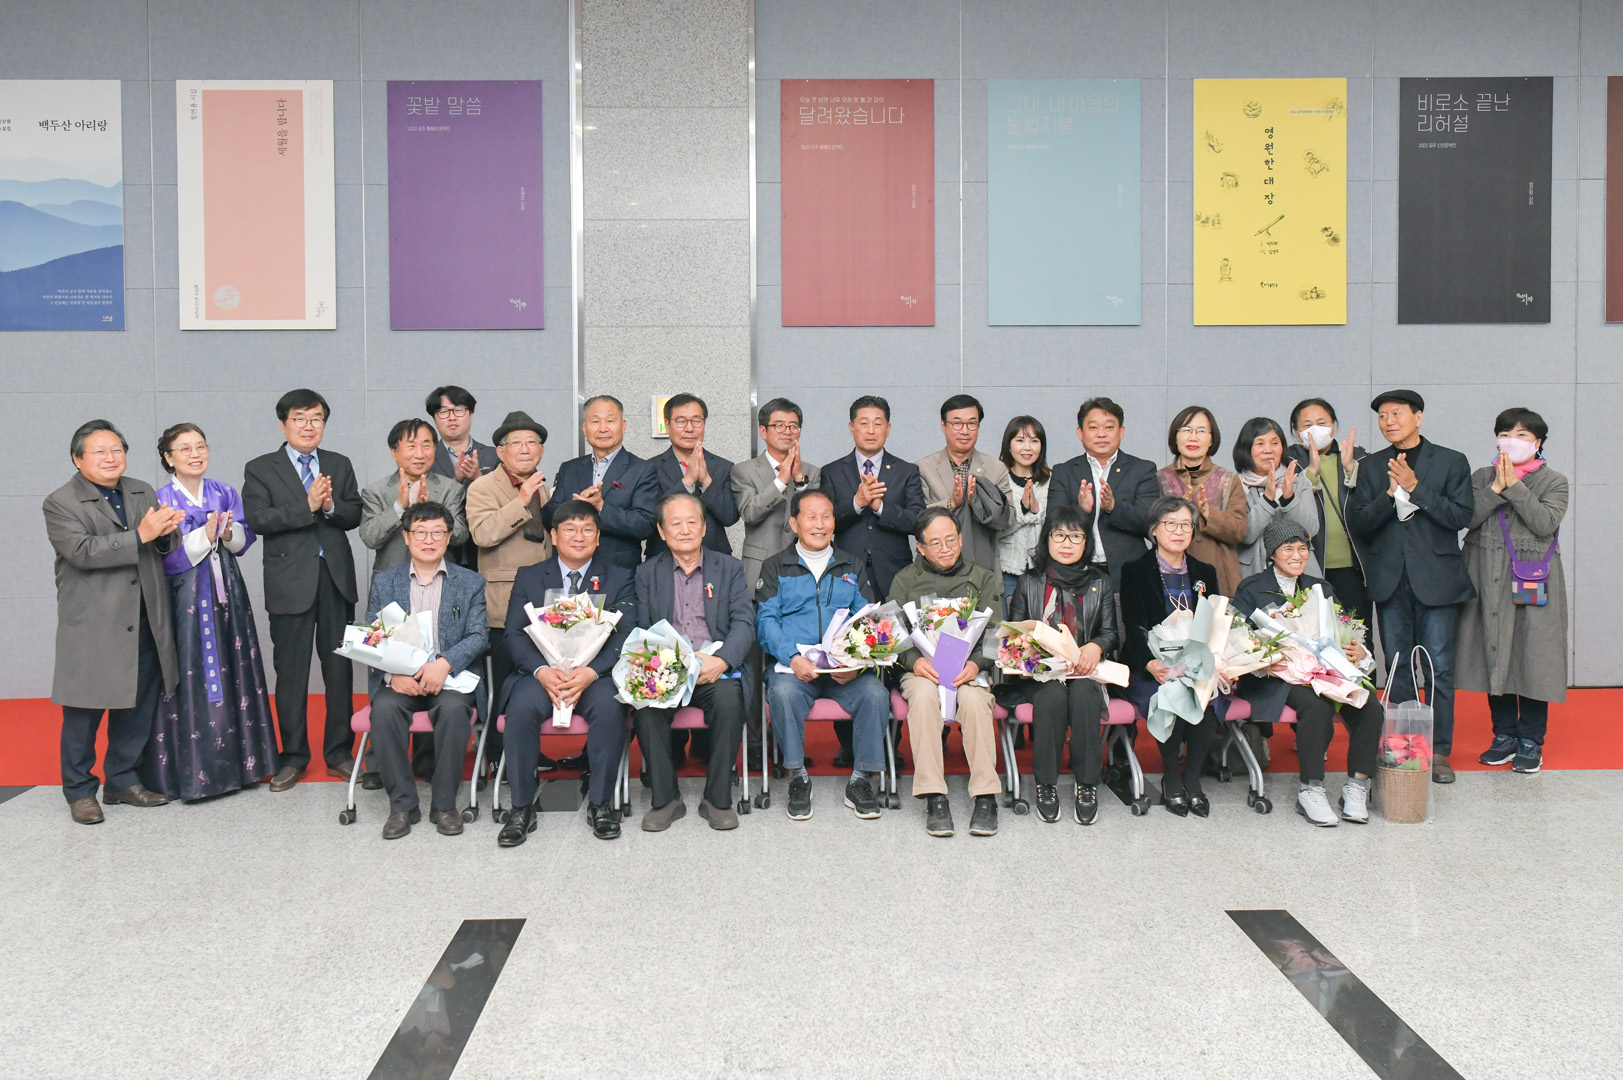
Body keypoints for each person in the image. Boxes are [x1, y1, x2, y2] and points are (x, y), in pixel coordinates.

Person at [43, 420, 184, 824]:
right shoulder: (61, 501)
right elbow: (82, 551)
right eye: (100, 451)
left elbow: (163, 544)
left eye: (117, 450)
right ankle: (79, 791)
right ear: (77, 459)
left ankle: (122, 780)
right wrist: (142, 535)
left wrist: (164, 534)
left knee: (137, 707)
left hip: (144, 616)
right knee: (83, 711)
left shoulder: (141, 490)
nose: (110, 458)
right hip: (95, 624)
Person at [1347, 389, 1475, 784]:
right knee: (1398, 666)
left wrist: (1415, 487)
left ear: (1418, 417)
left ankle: (1439, 751)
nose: (1389, 421)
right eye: (1383, 415)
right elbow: (1361, 524)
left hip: (1437, 580)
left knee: (1439, 667)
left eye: (1397, 413)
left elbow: (1460, 516)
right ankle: (1406, 748)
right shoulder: (1371, 467)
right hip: (1390, 582)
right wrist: (1390, 494)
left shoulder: (1451, 461)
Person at [242, 389, 365, 789]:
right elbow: (258, 519)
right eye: (300, 418)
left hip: (335, 580)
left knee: (339, 671)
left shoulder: (338, 463)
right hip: (289, 582)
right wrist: (307, 506)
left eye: (316, 419)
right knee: (291, 673)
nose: (308, 426)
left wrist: (330, 507)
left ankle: (339, 753)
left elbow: (354, 513)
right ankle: (293, 756)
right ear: (284, 425)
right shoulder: (261, 468)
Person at [148, 423, 278, 801]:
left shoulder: (224, 492)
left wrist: (226, 533)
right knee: (192, 669)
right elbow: (162, 557)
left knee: (234, 665)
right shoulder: (160, 500)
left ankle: (242, 767)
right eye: (185, 448)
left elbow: (243, 540)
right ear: (168, 457)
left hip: (227, 594)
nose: (195, 454)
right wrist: (202, 537)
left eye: (200, 446)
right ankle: (194, 773)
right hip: (185, 596)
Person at [498, 500, 636, 845]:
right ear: (554, 535)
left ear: (598, 537)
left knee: (610, 708)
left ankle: (601, 803)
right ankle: (521, 807)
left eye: (587, 529)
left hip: (595, 675)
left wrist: (592, 671)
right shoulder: (530, 576)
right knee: (521, 709)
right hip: (541, 674)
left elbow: (626, 634)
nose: (579, 536)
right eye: (570, 529)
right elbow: (513, 634)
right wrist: (541, 670)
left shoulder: (619, 577)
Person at [1232, 518, 1383, 827]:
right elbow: (1237, 637)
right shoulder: (1252, 588)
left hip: (1323, 672)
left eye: (1303, 549)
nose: (1297, 556)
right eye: (1288, 549)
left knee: (1370, 706)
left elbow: (1345, 629)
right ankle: (1310, 789)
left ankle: (1356, 786)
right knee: (1315, 707)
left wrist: (1357, 649)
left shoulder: (1320, 587)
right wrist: (1269, 654)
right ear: (1272, 553)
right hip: (1276, 675)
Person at [757, 489, 893, 821]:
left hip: (843, 668)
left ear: (835, 522)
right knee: (783, 694)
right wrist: (792, 657)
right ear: (794, 523)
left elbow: (867, 618)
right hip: (794, 667)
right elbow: (766, 621)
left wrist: (855, 662)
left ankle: (861, 779)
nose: (819, 524)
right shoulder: (775, 566)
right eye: (811, 517)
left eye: (827, 516)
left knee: (875, 693)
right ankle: (798, 777)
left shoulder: (852, 564)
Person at [363, 502, 488, 839]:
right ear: (406, 537)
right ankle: (402, 806)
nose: (428, 540)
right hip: (401, 679)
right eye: (420, 532)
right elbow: (372, 635)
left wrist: (443, 664)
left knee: (453, 711)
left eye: (437, 533)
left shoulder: (470, 582)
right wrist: (393, 676)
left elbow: (479, 635)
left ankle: (444, 805)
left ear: (448, 538)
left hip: (450, 679)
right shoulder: (385, 582)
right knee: (384, 710)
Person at [633, 493, 755, 832]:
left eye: (692, 522)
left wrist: (723, 660)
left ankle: (717, 799)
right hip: (667, 668)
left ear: (703, 528)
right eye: (675, 523)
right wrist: (664, 666)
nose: (684, 530)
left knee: (729, 702)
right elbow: (641, 628)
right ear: (661, 531)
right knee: (645, 706)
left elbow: (744, 623)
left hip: (714, 667)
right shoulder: (647, 573)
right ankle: (665, 799)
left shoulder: (729, 568)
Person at [1458, 408, 1568, 775]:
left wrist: (1514, 487)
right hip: (1486, 576)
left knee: (1532, 655)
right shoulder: (1481, 477)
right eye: (1506, 433)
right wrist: (1495, 488)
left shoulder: (1554, 481)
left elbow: (1545, 523)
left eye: (1522, 435)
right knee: (1494, 650)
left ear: (1538, 442)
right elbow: (1466, 518)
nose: (1512, 441)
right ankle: (1503, 735)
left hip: (1532, 578)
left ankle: (1531, 740)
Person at [820, 395, 925, 767]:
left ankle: (890, 744)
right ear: (851, 427)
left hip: (893, 576)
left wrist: (879, 507)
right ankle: (848, 744)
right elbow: (826, 521)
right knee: (847, 655)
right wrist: (857, 501)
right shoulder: (832, 472)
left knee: (892, 659)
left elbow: (916, 521)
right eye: (863, 423)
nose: (870, 429)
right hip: (846, 577)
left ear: (888, 428)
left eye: (877, 423)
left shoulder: (906, 471)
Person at [887, 509, 1005, 837]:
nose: (945, 548)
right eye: (935, 543)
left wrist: (977, 663)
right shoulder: (905, 580)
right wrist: (914, 661)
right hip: (922, 669)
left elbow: (996, 632)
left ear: (961, 539)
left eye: (951, 540)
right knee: (923, 698)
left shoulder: (982, 577)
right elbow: (892, 633)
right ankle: (934, 795)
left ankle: (985, 796)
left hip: (968, 667)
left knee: (974, 701)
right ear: (920, 547)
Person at [1006, 505, 1121, 826]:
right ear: (1047, 539)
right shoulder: (1030, 582)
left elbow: (1110, 632)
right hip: (1041, 673)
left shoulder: (1100, 582)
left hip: (1084, 670)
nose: (1066, 543)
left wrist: (1096, 646)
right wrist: (1037, 656)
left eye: (1075, 536)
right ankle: (1046, 784)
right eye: (1059, 535)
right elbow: (1014, 635)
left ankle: (1087, 785)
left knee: (1084, 695)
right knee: (1052, 696)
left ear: (1087, 542)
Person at [1118, 497, 1223, 817]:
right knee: (1169, 695)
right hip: (1152, 664)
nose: (1179, 531)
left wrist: (1216, 661)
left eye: (1185, 525)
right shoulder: (1135, 570)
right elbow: (1133, 625)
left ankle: (1192, 777)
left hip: (1196, 662)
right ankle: (1172, 777)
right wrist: (1150, 663)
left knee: (1207, 696)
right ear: (1154, 530)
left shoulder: (1205, 572)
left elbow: (1215, 624)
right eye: (1171, 524)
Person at [465, 411, 553, 770]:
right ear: (500, 452)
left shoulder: (541, 485)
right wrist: (521, 501)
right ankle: (498, 757)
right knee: (502, 683)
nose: (525, 449)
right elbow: (482, 534)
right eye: (516, 443)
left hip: (543, 602)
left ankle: (530, 750)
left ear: (541, 450)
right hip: (503, 603)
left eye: (532, 442)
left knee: (535, 683)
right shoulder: (482, 487)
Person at [1047, 397, 1160, 590]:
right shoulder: (1063, 471)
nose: (1101, 434)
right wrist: (1081, 510)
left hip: (1128, 575)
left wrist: (1113, 508)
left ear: (1121, 431)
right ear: (1080, 433)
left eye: (1109, 427)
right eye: (1093, 428)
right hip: (1077, 573)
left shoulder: (1142, 469)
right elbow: (1052, 522)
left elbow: (1150, 521)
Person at [542, 394, 659, 571]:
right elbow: (548, 516)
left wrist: (601, 507)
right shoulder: (569, 468)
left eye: (610, 421)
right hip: (569, 569)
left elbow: (646, 524)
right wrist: (574, 506)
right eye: (596, 422)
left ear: (623, 425)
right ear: (584, 428)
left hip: (618, 570)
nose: (603, 428)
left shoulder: (642, 469)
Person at [1285, 398, 1370, 628]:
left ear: (1333, 427)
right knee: (1312, 635)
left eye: (1321, 423)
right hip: (1306, 567)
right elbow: (1287, 505)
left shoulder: (1357, 456)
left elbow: (1371, 502)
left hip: (1352, 568)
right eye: (1307, 425)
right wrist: (1310, 473)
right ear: (1296, 432)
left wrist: (1352, 468)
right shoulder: (1288, 461)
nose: (1315, 429)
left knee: (1356, 635)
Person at [731, 397, 821, 596]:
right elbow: (750, 513)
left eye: (793, 426)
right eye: (779, 425)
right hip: (760, 567)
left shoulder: (812, 473)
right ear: (763, 431)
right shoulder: (744, 471)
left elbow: (817, 518)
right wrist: (781, 481)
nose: (787, 431)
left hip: (804, 566)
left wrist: (799, 480)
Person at [915, 394, 1013, 577]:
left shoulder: (996, 468)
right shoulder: (923, 468)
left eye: (972, 424)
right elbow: (916, 517)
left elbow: (1009, 519)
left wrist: (979, 504)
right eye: (957, 423)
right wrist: (952, 503)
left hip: (983, 568)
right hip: (934, 570)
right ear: (943, 425)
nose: (965, 431)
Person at [1156, 405, 1249, 595]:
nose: (1193, 437)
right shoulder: (1160, 478)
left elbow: (1239, 531)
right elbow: (1150, 529)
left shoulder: (1228, 479)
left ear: (1211, 439)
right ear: (1175, 436)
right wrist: (1178, 514)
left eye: (1201, 431)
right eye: (1186, 430)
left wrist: (1208, 513)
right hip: (1170, 576)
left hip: (1220, 576)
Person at [360, 418, 468, 574]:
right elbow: (370, 538)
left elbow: (460, 536)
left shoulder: (451, 489)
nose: (420, 454)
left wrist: (432, 508)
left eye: (426, 446)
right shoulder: (376, 491)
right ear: (394, 452)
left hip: (440, 578)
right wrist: (398, 507)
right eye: (411, 446)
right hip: (391, 580)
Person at [646, 393, 739, 558]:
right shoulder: (649, 468)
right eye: (681, 421)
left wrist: (707, 481)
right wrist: (687, 481)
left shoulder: (723, 467)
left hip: (715, 559)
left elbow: (729, 517)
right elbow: (650, 518)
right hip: (663, 558)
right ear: (667, 425)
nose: (689, 429)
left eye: (696, 421)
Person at [1233, 416, 1320, 580]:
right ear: (1246, 449)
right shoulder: (1234, 485)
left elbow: (1311, 529)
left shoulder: (1297, 481)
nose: (1268, 450)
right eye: (1260, 444)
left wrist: (1289, 499)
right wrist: (1267, 500)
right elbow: (1245, 535)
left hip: (1300, 574)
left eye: (1274, 443)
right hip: (1254, 575)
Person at [427, 385, 499, 568]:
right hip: (442, 553)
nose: (452, 417)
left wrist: (479, 479)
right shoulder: (425, 459)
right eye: (444, 411)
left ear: (471, 414)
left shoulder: (495, 456)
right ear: (435, 418)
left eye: (458, 410)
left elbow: (506, 503)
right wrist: (456, 481)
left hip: (488, 552)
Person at [996, 415, 1051, 602]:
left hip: (1044, 572)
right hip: (1006, 572)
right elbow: (992, 531)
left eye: (1034, 441)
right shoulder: (998, 481)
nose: (1027, 447)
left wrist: (1037, 509)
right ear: (1008, 445)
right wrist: (1023, 510)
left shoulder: (1053, 480)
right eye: (1020, 440)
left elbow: (1057, 527)